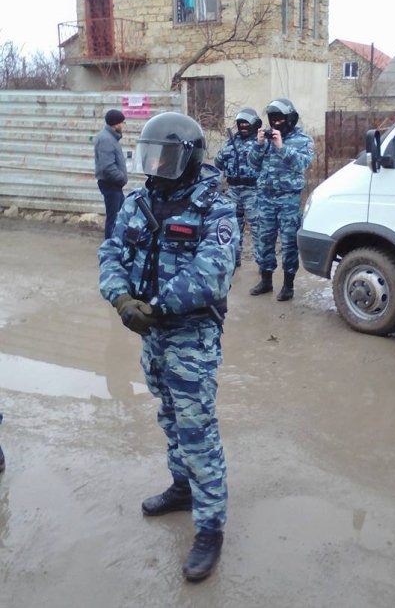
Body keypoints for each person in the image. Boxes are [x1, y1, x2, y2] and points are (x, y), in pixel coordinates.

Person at [98, 112, 239, 582]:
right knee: (171, 416)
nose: (157, 165)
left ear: (190, 159)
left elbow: (212, 274)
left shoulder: (215, 207)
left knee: (197, 429)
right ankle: (183, 487)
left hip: (191, 335)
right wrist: (121, 298)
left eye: (167, 157)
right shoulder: (139, 201)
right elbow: (111, 253)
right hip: (151, 333)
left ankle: (210, 527)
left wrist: (155, 307)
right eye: (152, 155)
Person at [248, 98, 314, 300]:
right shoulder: (267, 139)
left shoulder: (303, 140)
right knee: (264, 241)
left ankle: (288, 285)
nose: (276, 123)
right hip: (265, 198)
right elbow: (252, 164)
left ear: (290, 118)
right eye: (273, 120)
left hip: (288, 200)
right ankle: (266, 281)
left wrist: (282, 147)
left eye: (280, 119)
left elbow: (303, 164)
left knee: (288, 243)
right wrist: (259, 145)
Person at [214, 107, 262, 267]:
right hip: (233, 190)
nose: (243, 127)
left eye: (247, 124)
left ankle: (263, 265)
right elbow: (218, 163)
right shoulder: (230, 143)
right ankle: (234, 261)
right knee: (232, 227)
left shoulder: (260, 143)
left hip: (253, 191)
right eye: (241, 124)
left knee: (257, 229)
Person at [94, 109, 128, 239]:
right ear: (116, 124)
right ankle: (110, 245)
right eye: (122, 122)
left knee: (120, 215)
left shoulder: (111, 138)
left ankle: (117, 241)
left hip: (114, 185)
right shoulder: (106, 139)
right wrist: (121, 178)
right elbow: (107, 167)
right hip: (110, 184)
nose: (123, 125)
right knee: (113, 218)